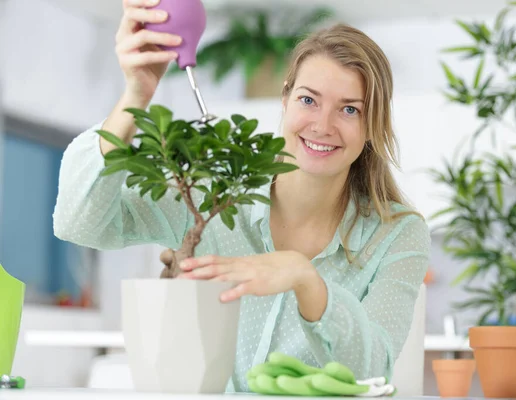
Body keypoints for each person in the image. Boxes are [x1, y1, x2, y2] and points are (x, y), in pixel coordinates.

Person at [53, 0, 431, 392]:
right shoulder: (207, 196)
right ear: (285, 99)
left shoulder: (398, 233)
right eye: (308, 100)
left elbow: (374, 369)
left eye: (350, 110)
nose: (322, 125)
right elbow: (79, 223)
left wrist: (307, 281)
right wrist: (136, 94)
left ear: (374, 124)